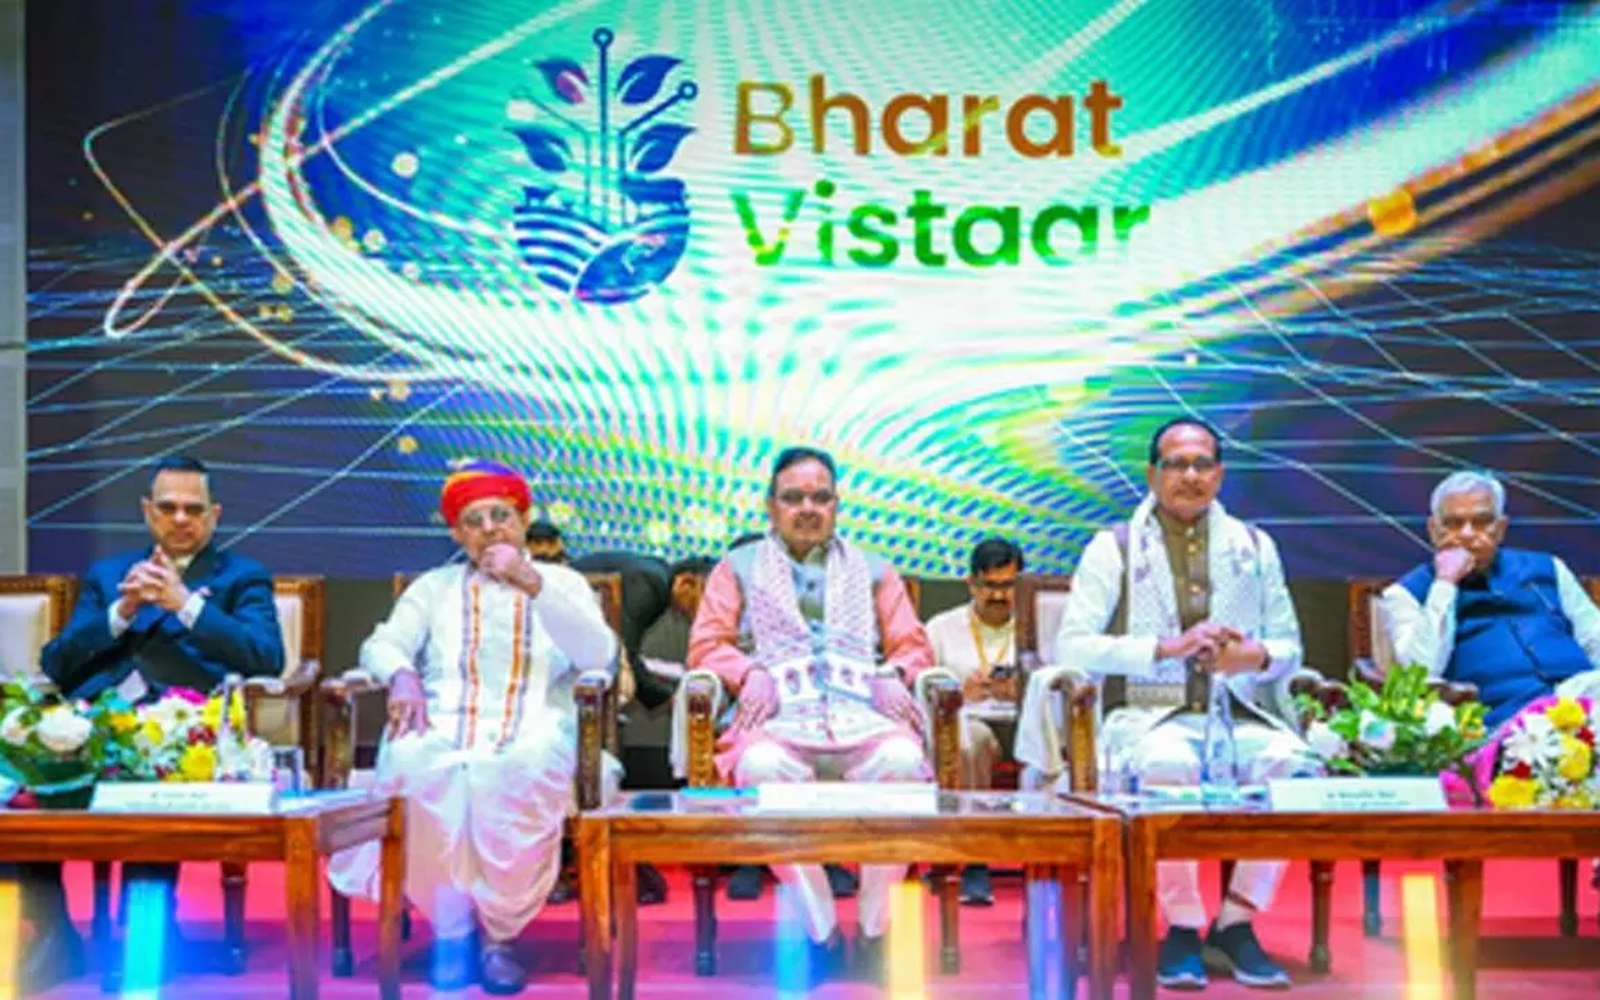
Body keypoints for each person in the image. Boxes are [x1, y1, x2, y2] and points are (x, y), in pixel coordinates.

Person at [1035, 418, 1312, 991]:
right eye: (1177, 464)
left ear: (1220, 474)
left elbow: (1290, 647)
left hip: (1238, 712)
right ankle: (1182, 926)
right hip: (1148, 714)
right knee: (1167, 764)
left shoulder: (1255, 547)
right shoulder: (1114, 546)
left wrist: (1254, 657)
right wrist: (1165, 649)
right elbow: (1073, 645)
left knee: (1296, 768)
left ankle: (1235, 922)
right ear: (1152, 474)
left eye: (1202, 464)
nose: (1190, 476)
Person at [327, 461, 618, 994]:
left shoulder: (562, 583)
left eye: (500, 516)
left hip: (534, 722)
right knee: (413, 764)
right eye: (473, 521)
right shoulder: (434, 588)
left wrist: (532, 583)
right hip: (442, 720)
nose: (489, 529)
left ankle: (499, 937)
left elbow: (599, 655)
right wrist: (402, 676)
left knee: (515, 769)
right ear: (457, 534)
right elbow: (383, 642)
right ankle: (454, 930)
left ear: (523, 520)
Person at [13, 456, 284, 991]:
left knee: (148, 787)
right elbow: (57, 664)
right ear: (147, 512)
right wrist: (123, 610)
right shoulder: (109, 575)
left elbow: (266, 657)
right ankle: (55, 933)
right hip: (96, 728)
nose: (180, 519)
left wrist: (186, 606)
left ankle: (142, 944)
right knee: (28, 789)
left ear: (214, 515)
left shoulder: (241, 578)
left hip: (183, 729)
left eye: (193, 510)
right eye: (168, 508)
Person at [687, 446, 933, 985]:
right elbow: (706, 645)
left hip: (863, 716)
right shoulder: (738, 567)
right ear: (770, 506)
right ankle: (822, 931)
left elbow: (913, 645)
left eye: (820, 498)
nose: (807, 509)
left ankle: (873, 928)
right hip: (777, 720)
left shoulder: (874, 568)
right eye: (793, 498)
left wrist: (891, 673)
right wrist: (748, 671)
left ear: (836, 505)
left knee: (902, 760)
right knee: (762, 771)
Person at [1380, 470, 1600, 729]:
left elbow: (1594, 636)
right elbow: (1422, 671)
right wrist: (1445, 584)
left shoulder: (1549, 568)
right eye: (1453, 523)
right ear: (1433, 530)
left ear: (1501, 528)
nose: (1467, 534)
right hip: (1508, 725)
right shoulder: (1406, 594)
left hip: (1584, 704)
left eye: (1482, 522)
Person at [922, 537, 1026, 906]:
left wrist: (1023, 690)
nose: (998, 596)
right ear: (971, 584)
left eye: (1008, 586)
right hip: (972, 722)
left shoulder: (1036, 624)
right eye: (988, 586)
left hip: (1027, 725)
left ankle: (1058, 860)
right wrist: (959, 693)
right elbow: (921, 688)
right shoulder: (941, 628)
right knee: (969, 741)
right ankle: (974, 856)